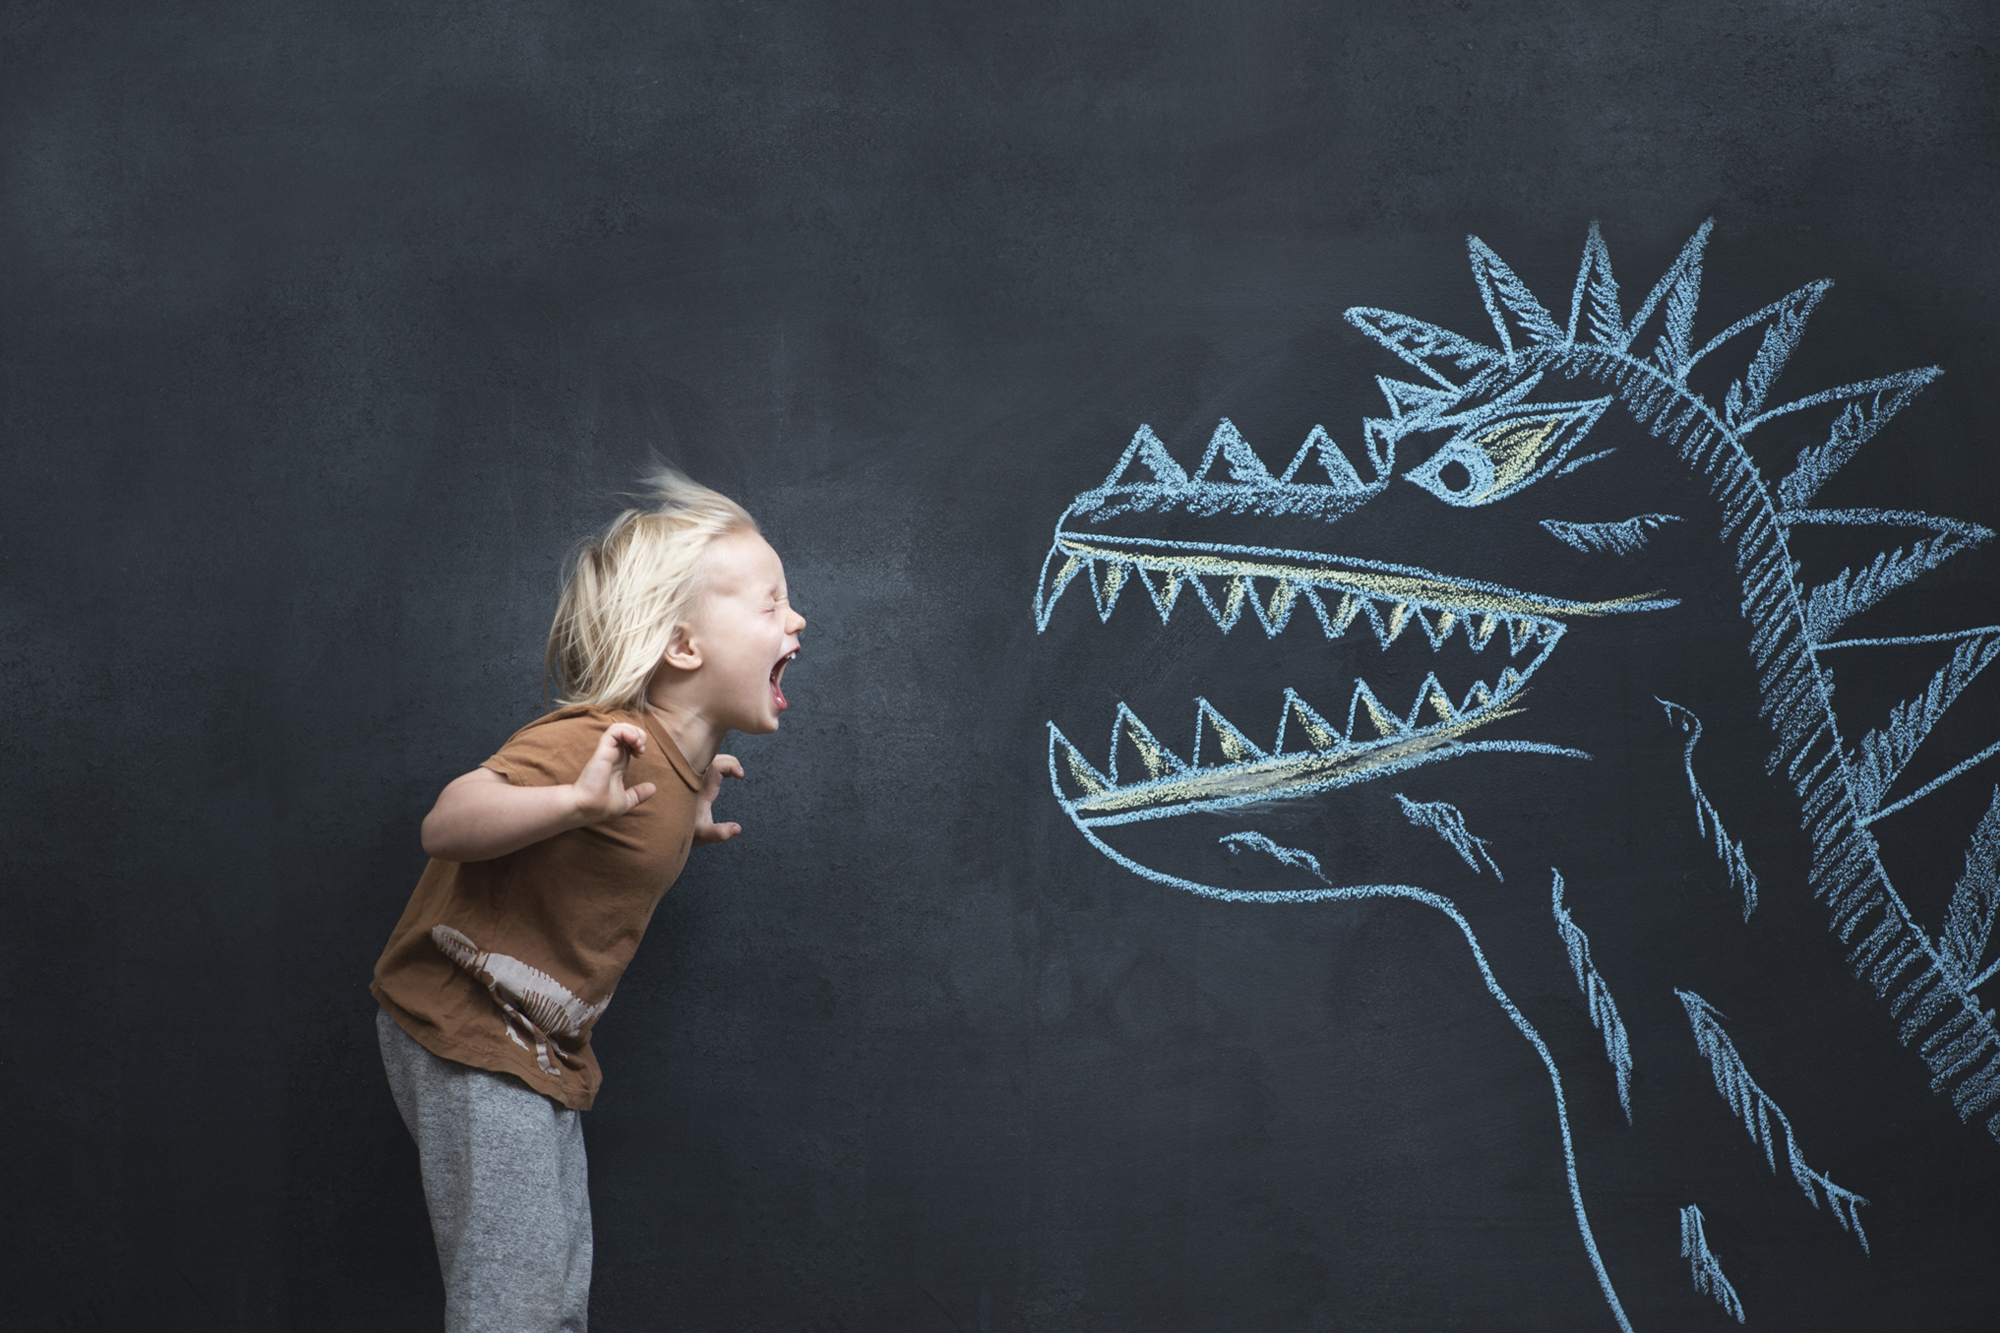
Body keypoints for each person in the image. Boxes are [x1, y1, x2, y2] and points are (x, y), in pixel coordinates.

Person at [370, 469, 805, 1332]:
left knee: (554, 1292)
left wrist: (689, 823)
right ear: (684, 647)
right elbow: (447, 820)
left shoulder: (671, 774)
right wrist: (571, 800)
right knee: (514, 1301)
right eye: (770, 605)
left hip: (542, 1049)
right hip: (469, 1026)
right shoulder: (597, 741)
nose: (796, 621)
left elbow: (618, 846)